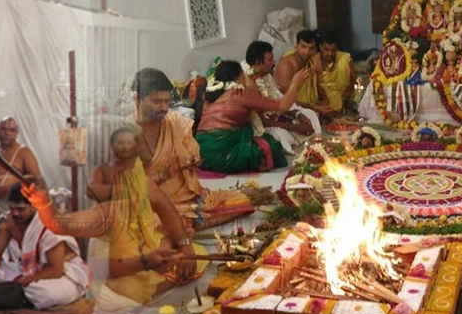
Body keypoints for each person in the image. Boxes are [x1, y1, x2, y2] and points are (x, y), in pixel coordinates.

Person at [25, 127, 205, 310]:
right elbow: (60, 224)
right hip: (118, 273)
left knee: (196, 253)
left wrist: (183, 245)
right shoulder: (107, 210)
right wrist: (44, 203)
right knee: (125, 292)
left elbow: (164, 206)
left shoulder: (140, 182)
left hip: (144, 255)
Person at [128, 68, 255, 233]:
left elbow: (192, 153)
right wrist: (164, 175)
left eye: (167, 102)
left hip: (187, 197)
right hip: (155, 204)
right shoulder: (126, 134)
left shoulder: (174, 122)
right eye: (157, 102)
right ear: (137, 98)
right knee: (147, 224)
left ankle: (185, 224)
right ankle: (183, 224)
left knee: (240, 201)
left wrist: (193, 160)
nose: (164, 108)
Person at [0, 184, 90, 310]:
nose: (15, 213)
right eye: (12, 209)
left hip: (64, 274)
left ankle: (17, 294)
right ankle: (15, 294)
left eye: (21, 209)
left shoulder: (49, 225)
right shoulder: (10, 221)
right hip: (28, 270)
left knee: (41, 293)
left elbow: (55, 270)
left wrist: (19, 284)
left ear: (34, 206)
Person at [195, 61, 312, 173]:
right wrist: (295, 84)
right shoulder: (240, 93)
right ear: (237, 77)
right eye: (243, 75)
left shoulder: (210, 96)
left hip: (201, 153)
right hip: (224, 153)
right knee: (271, 147)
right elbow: (283, 105)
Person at [240, 42, 320, 157]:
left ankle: (314, 144)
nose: (274, 62)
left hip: (276, 115)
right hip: (260, 126)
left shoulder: (265, 74)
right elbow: (262, 121)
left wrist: (297, 114)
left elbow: (278, 99)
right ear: (258, 63)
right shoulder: (249, 85)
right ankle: (297, 150)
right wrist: (293, 126)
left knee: (310, 115)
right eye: (270, 59)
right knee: (282, 135)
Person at [0, 116, 42, 219]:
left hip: (14, 203)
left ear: (16, 133)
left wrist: (10, 188)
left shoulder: (24, 152)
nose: (7, 133)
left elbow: (36, 179)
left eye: (11, 130)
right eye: (4, 129)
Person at [275, 30, 323, 110]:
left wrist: (321, 102)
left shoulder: (312, 62)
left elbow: (316, 88)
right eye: (303, 46)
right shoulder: (286, 65)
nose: (306, 52)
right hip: (289, 109)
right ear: (297, 46)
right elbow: (288, 99)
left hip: (307, 106)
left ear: (316, 50)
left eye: (311, 48)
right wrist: (315, 107)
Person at [316, 30, 355, 115]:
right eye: (326, 49)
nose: (330, 53)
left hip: (343, 99)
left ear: (337, 48)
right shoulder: (314, 61)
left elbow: (353, 79)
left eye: (333, 50)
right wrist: (324, 99)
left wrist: (349, 89)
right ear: (320, 47)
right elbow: (313, 86)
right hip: (323, 101)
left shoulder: (345, 58)